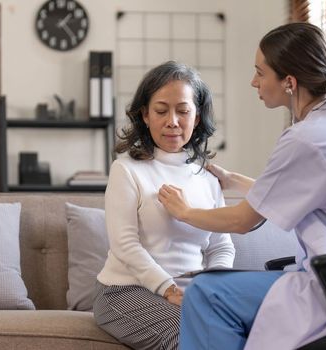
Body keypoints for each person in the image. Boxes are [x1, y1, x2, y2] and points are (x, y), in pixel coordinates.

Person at [157, 23, 326, 350]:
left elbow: (243, 221)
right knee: (215, 292)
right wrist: (232, 179)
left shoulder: (308, 138)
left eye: (260, 73)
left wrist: (185, 211)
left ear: (289, 82)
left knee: (207, 292)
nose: (253, 82)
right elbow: (287, 191)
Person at [93, 61, 235, 350]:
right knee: (187, 336)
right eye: (161, 111)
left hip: (190, 291)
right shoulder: (127, 170)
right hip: (125, 291)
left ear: (196, 118)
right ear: (145, 115)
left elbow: (221, 246)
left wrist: (212, 288)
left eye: (183, 111)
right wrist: (168, 288)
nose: (172, 121)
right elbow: (124, 244)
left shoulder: (206, 176)